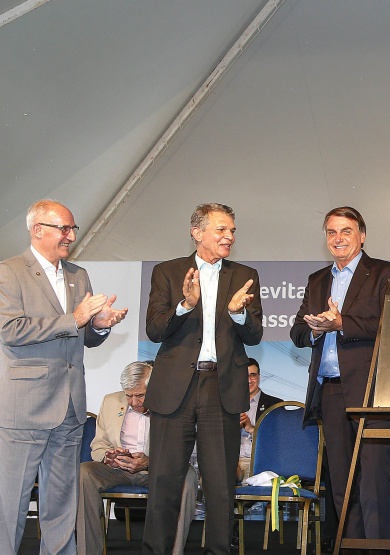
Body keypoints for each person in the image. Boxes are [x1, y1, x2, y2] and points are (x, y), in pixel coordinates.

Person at [0, 200, 127, 554]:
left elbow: (83, 336)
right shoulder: (9, 272)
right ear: (37, 230)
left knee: (61, 505)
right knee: (10, 505)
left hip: (70, 406)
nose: (70, 235)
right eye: (64, 228)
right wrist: (75, 319)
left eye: (72, 228)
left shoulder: (78, 275)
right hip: (25, 408)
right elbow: (10, 330)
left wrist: (99, 326)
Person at [143, 203, 263, 555]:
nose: (230, 236)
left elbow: (255, 335)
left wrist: (238, 314)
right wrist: (185, 305)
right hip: (174, 389)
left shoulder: (245, 275)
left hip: (222, 387)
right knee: (164, 483)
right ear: (197, 232)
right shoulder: (167, 272)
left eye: (232, 230)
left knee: (221, 487)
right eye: (221, 229)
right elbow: (154, 330)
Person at [290, 206, 390, 541]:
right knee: (341, 484)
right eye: (331, 232)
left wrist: (341, 323)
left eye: (346, 231)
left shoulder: (385, 272)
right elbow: (297, 331)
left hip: (373, 391)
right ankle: (352, 547)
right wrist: (315, 329)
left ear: (362, 236)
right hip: (331, 391)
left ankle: (380, 550)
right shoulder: (317, 280)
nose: (338, 238)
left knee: (373, 483)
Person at [77, 361, 197, 555]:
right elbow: (98, 445)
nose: (133, 402)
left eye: (140, 395)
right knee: (84, 473)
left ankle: (174, 552)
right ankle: (88, 552)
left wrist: (149, 461)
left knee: (187, 476)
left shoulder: (173, 404)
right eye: (128, 395)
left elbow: (182, 449)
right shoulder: (110, 401)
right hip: (118, 470)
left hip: (158, 470)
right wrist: (109, 457)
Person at [237, 357, 282, 481]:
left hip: (259, 462)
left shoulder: (275, 404)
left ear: (259, 376)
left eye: (253, 375)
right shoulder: (229, 404)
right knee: (209, 481)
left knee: (249, 483)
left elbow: (277, 440)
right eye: (245, 376)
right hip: (232, 461)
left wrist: (251, 428)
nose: (249, 380)